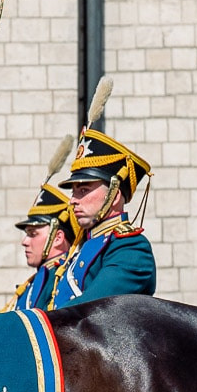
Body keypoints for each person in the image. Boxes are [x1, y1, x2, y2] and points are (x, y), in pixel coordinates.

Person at [55, 130, 157, 304]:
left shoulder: (131, 248)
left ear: (114, 196)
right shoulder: (86, 248)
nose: (72, 200)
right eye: (73, 192)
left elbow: (86, 310)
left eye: (83, 191)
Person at [9, 184, 79, 312]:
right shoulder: (32, 283)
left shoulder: (65, 277)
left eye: (33, 234)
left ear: (57, 238)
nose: (24, 241)